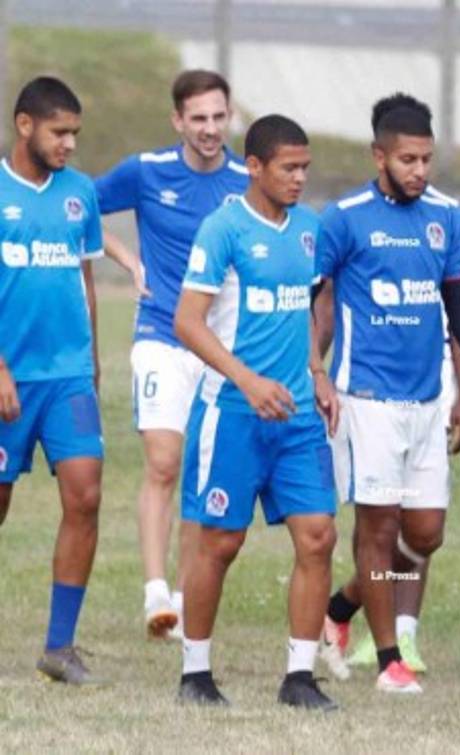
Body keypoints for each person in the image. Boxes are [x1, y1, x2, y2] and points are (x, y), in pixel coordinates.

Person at [311, 93, 460, 693]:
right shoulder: (343, 218)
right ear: (379, 156)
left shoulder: (449, 217)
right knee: (376, 526)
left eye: (426, 159)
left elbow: (455, 300)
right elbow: (313, 298)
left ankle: (341, 609)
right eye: (407, 160)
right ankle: (391, 660)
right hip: (366, 395)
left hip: (427, 398)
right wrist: (314, 369)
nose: (419, 171)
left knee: (423, 534)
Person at [174, 115, 339, 710]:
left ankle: (299, 677)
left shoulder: (309, 229)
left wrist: (318, 374)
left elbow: (306, 309)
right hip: (234, 414)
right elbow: (187, 322)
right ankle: (195, 673)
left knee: (318, 536)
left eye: (305, 169)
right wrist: (247, 381)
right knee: (220, 542)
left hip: (296, 417)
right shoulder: (223, 230)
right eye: (288, 168)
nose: (299, 179)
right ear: (255, 167)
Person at [94, 69, 248, 639]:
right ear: (177, 120)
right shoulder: (146, 171)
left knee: (202, 476)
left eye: (218, 117)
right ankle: (155, 591)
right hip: (161, 335)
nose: (210, 129)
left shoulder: (245, 178)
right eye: (198, 118)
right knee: (163, 461)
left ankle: (185, 601)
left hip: (223, 347)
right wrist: (128, 260)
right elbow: (77, 208)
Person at [0, 76, 106, 685]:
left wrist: (90, 358)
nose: (68, 143)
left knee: (86, 496)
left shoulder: (80, 194)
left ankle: (59, 647)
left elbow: (83, 275)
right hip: (9, 376)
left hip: (68, 376)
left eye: (74, 134)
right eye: (58, 132)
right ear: (24, 126)